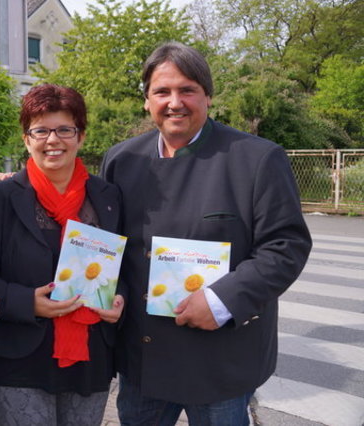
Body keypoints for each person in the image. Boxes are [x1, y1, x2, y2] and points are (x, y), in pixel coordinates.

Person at [100, 42, 312, 425]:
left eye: (187, 90)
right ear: (147, 100)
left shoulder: (257, 158)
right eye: (162, 92)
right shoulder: (121, 160)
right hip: (144, 359)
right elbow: (107, 243)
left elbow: (285, 247)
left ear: (208, 96)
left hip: (221, 358)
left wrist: (221, 301)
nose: (174, 102)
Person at [0, 84, 124, 426]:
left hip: (90, 356)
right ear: (27, 139)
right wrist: (27, 302)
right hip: (20, 358)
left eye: (64, 129)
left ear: (81, 136)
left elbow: (122, 268)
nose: (52, 140)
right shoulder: (4, 198)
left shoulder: (107, 196)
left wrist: (120, 299)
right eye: (40, 130)